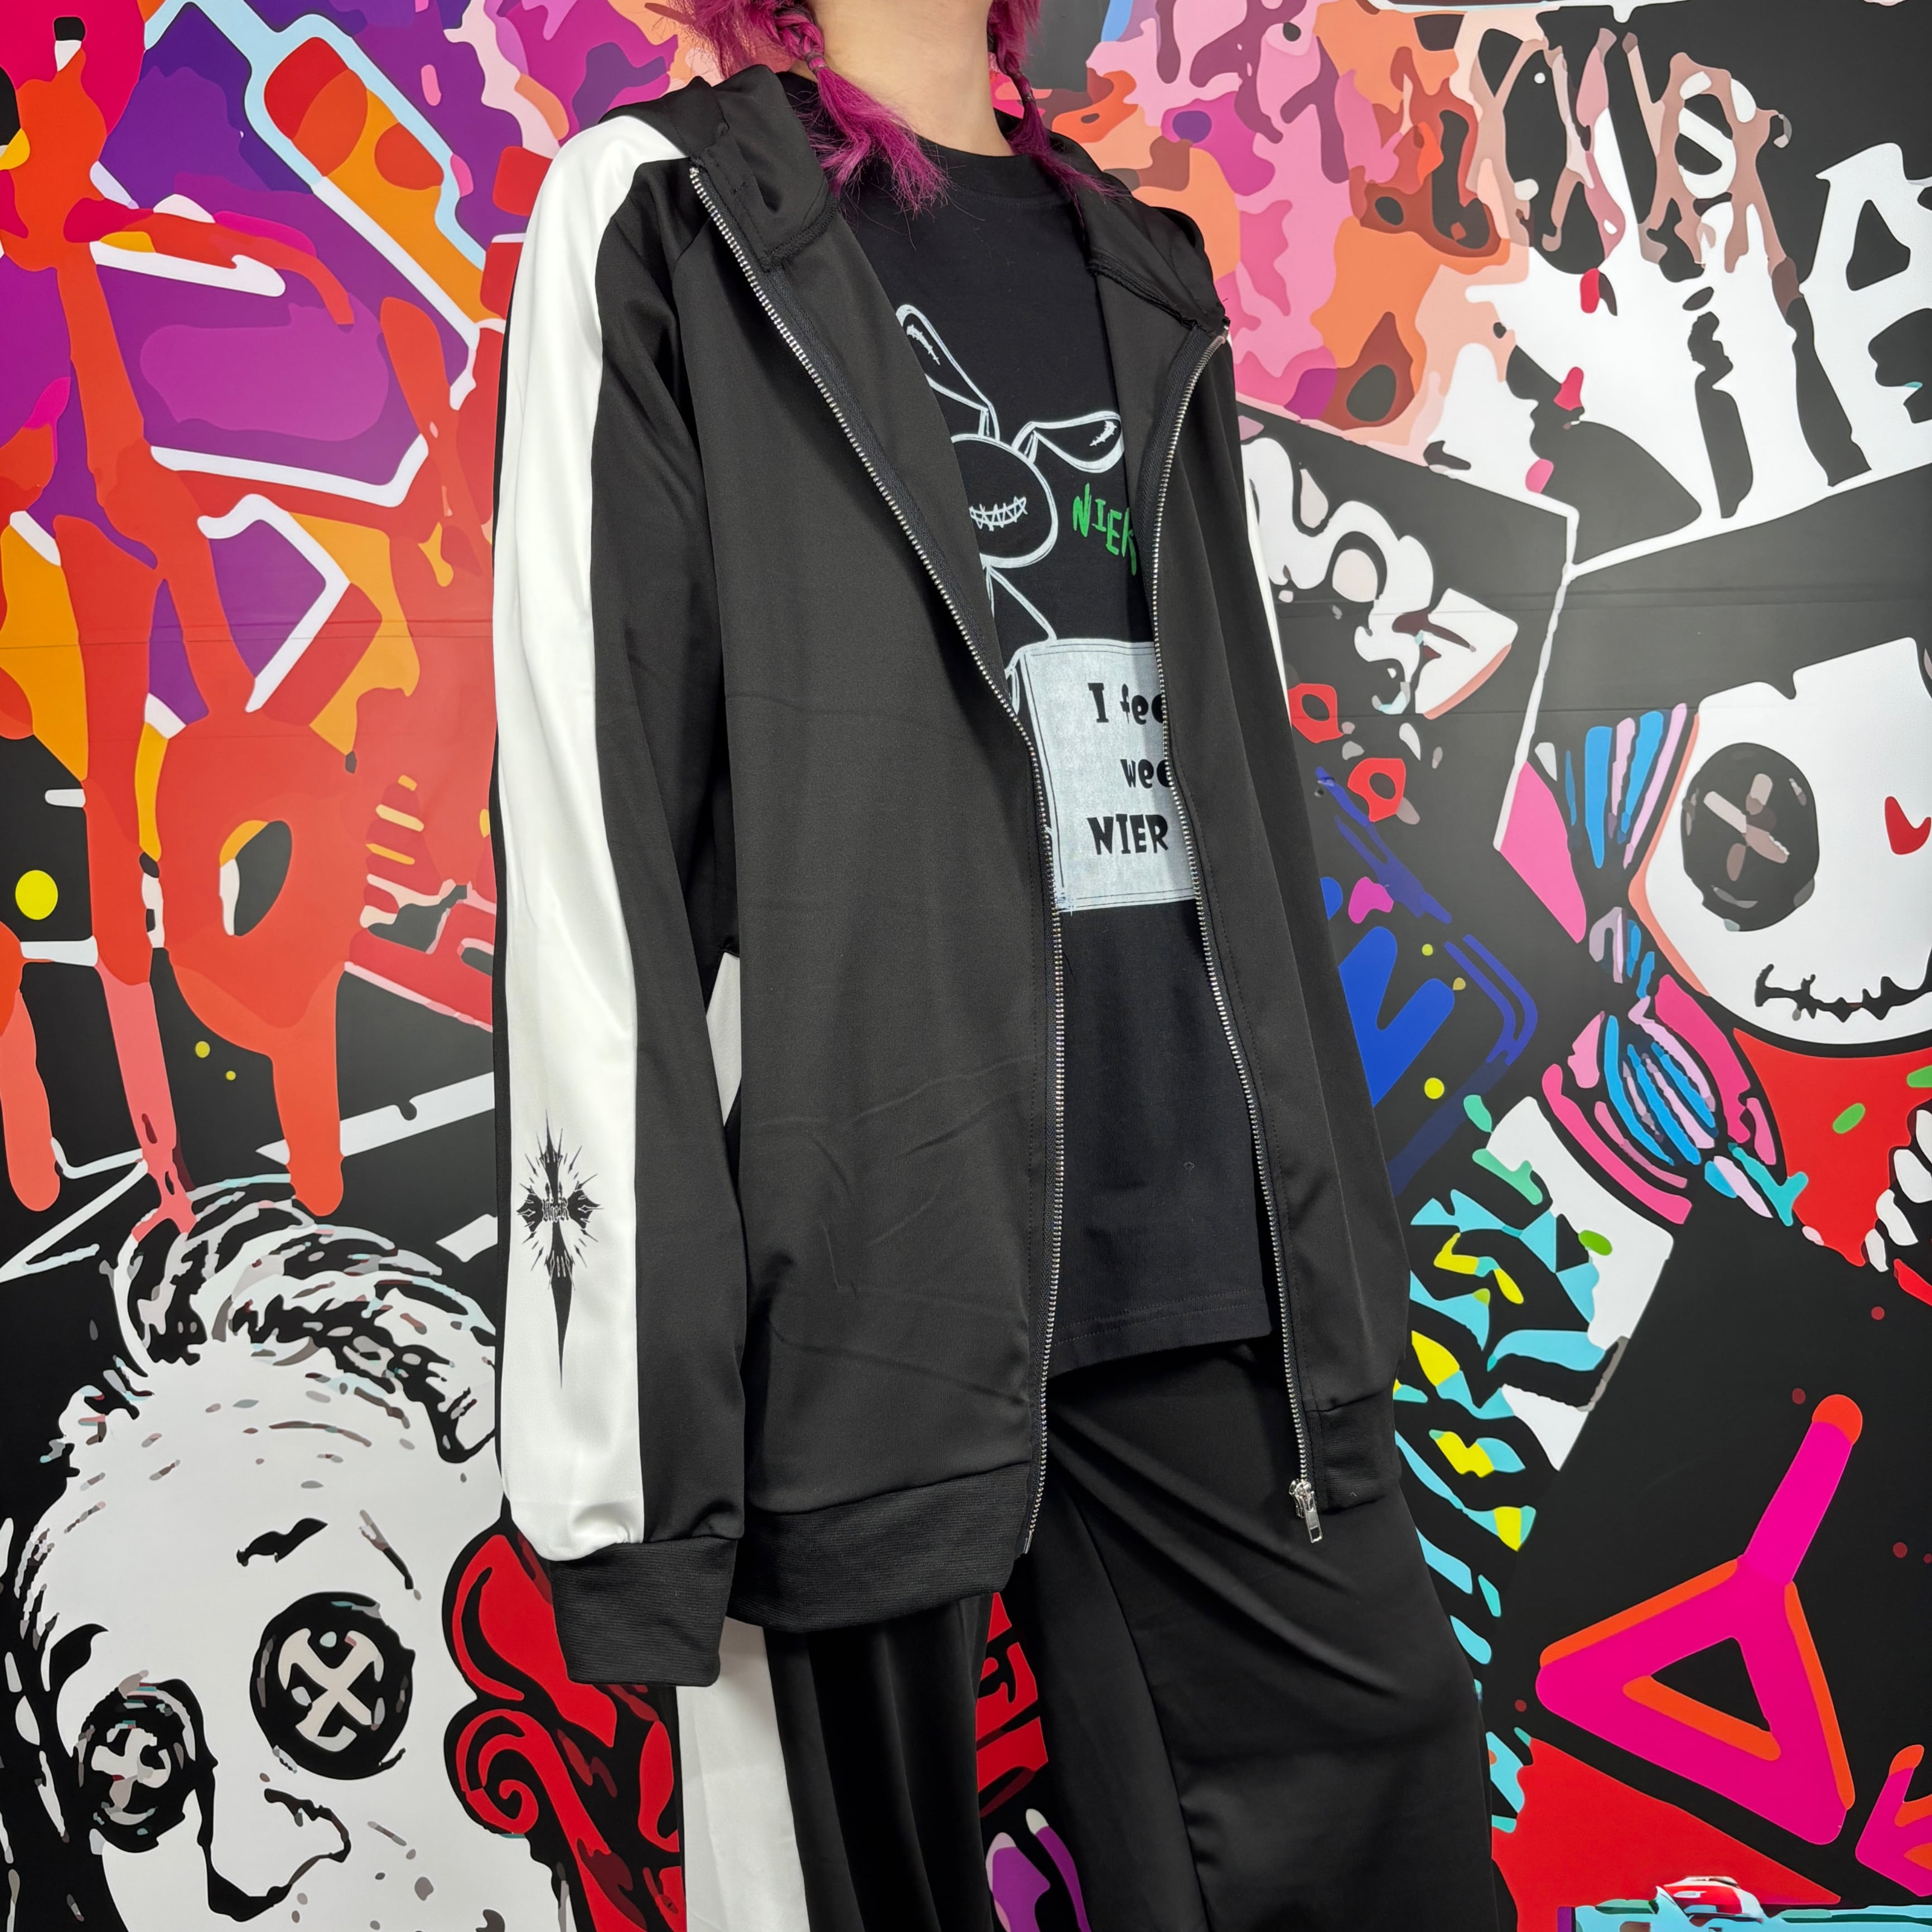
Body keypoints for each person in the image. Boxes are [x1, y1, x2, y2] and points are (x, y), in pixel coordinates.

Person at [489, 2, 1498, 1926]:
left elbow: (1243, 803)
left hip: (1191, 1227)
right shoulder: (668, 217)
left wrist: (1335, 1289)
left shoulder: (1141, 263)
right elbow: (595, 824)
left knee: (1379, 1815)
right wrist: (633, 1457)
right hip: (863, 1260)